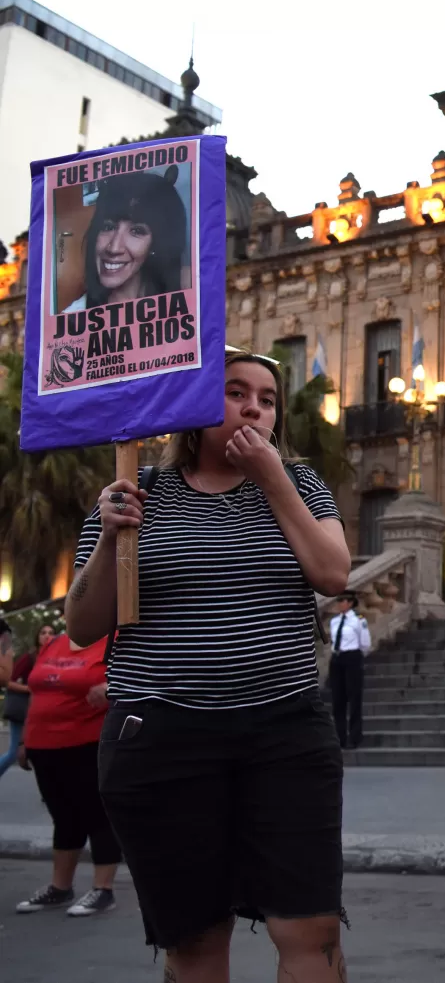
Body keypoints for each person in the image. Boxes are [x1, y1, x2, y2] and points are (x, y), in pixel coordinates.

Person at [65, 346, 351, 983]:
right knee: (193, 941)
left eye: (268, 399)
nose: (254, 406)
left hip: (285, 732)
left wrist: (275, 478)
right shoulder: (137, 492)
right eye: (235, 392)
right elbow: (81, 624)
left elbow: (332, 574)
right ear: (193, 406)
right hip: (161, 737)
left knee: (310, 929)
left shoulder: (299, 484)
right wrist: (112, 538)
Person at [14, 632, 120, 917]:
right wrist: (24, 740)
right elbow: (37, 692)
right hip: (43, 745)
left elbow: (140, 679)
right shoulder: (55, 642)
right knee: (63, 816)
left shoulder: (117, 639)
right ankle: (60, 888)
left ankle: (103, 889)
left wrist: (111, 688)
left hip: (88, 744)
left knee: (98, 814)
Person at [63, 167, 188, 311]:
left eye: (136, 231)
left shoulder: (184, 299)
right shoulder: (72, 318)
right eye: (108, 227)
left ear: (156, 244)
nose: (114, 248)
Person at [0, 622, 50, 779]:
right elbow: (8, 680)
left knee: (48, 748)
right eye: (43, 632)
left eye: (51, 632)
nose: (47, 636)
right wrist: (31, 688)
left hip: (44, 710)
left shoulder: (56, 657)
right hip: (21, 709)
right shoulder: (29, 658)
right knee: (14, 752)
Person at [328, 591, 371, 750]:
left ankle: (355, 736)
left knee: (354, 698)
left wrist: (356, 658)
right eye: (338, 600)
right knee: (338, 700)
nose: (339, 603)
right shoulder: (334, 621)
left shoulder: (359, 620)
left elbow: (365, 643)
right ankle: (340, 737)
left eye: (343, 600)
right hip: (337, 658)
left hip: (352, 657)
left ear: (351, 603)